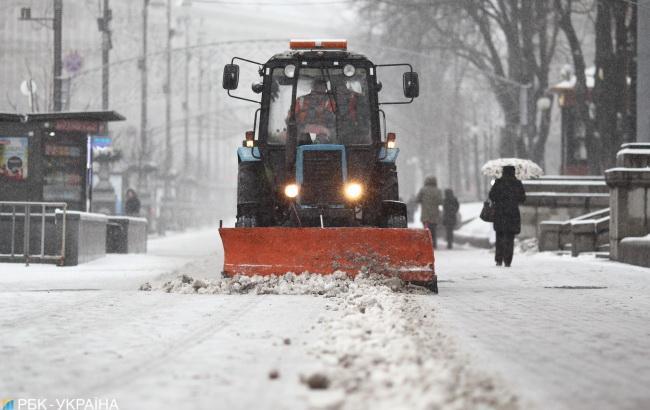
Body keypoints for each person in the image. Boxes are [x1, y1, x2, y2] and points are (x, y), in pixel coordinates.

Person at [488, 165, 526, 267]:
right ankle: (508, 260)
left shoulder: (498, 182)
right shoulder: (517, 183)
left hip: (500, 213)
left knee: (499, 236)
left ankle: (499, 259)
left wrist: (500, 199)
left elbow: (491, 195)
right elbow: (523, 198)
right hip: (512, 213)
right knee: (510, 237)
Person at [293, 78, 336, 143]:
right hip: (302, 136)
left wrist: (324, 130)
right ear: (313, 88)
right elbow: (291, 119)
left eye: (322, 87)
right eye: (317, 87)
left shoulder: (330, 101)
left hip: (325, 137)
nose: (320, 89)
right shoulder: (301, 100)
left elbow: (334, 120)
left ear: (325, 89)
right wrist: (303, 127)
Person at [416, 176, 443, 248]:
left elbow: (417, 199)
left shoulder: (423, 190)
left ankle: (427, 245)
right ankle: (434, 245)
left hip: (425, 215)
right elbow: (441, 202)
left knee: (426, 231)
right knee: (433, 231)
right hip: (434, 215)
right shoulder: (438, 190)